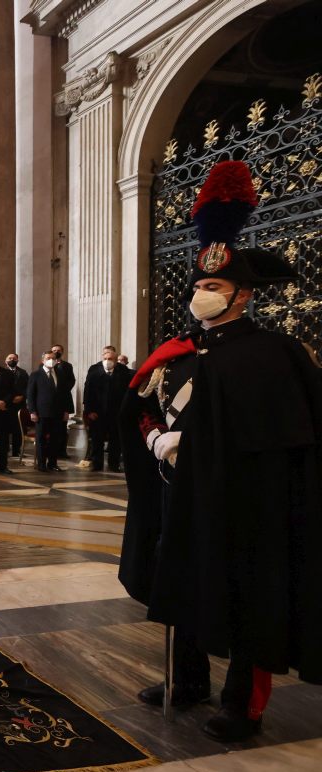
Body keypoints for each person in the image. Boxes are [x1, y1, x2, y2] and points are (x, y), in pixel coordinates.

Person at [120, 159, 322, 742]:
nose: (201, 295)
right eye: (198, 287)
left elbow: (282, 431)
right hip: (182, 491)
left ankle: (243, 704)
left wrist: (198, 441)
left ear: (242, 295)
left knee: (249, 594)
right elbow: (143, 405)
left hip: (247, 497)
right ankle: (188, 680)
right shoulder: (178, 351)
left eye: (213, 288)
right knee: (183, 578)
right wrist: (154, 436)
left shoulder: (272, 354)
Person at [82, 345, 131, 472]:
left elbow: (127, 392)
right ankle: (96, 464)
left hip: (116, 412)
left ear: (115, 360)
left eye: (111, 359)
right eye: (105, 358)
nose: (108, 361)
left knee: (116, 440)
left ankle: (113, 464)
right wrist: (89, 411)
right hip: (97, 412)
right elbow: (88, 392)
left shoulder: (123, 371)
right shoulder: (94, 370)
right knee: (97, 439)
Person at [27, 350, 67, 472]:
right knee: (41, 439)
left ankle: (52, 463)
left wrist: (66, 410)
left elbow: (65, 394)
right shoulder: (36, 374)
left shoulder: (60, 374)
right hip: (41, 413)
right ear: (43, 360)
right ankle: (41, 464)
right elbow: (30, 394)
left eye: (53, 358)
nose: (51, 360)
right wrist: (32, 411)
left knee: (55, 439)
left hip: (57, 412)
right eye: (48, 358)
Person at [50, 343, 76, 458]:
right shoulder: (46, 364)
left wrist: (63, 390)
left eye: (58, 350)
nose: (56, 352)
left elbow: (72, 380)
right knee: (52, 428)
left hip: (64, 399)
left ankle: (62, 451)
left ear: (62, 352)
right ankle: (52, 451)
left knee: (62, 428)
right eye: (54, 350)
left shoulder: (67, 366)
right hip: (51, 401)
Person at [5, 353, 29, 458]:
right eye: (10, 358)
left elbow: (28, 387)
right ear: (6, 361)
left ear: (17, 360)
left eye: (14, 358)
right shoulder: (2, 372)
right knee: (5, 428)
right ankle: (4, 449)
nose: (12, 360)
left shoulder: (23, 373)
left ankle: (16, 450)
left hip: (19, 404)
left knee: (18, 429)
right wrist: (10, 398)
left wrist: (22, 396)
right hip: (6, 404)